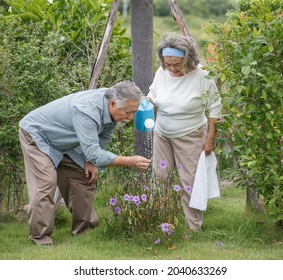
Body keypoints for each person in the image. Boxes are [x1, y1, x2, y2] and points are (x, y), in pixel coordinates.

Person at [19, 80, 151, 245]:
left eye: (134, 112)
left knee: (84, 175)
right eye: (128, 112)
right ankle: (40, 238)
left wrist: (89, 162)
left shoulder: (114, 103)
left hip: (66, 141)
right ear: (112, 104)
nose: (130, 117)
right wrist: (129, 161)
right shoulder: (86, 110)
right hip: (38, 135)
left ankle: (85, 229)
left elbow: (103, 137)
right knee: (46, 182)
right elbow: (95, 152)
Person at [147, 33, 222, 231]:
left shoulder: (202, 75)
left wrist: (210, 138)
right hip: (162, 133)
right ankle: (160, 223)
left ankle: (193, 227)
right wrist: (147, 103)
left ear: (188, 58)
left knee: (189, 181)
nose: (172, 68)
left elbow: (215, 106)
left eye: (177, 64)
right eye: (167, 63)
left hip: (190, 134)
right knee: (159, 178)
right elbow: (153, 93)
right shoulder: (162, 72)